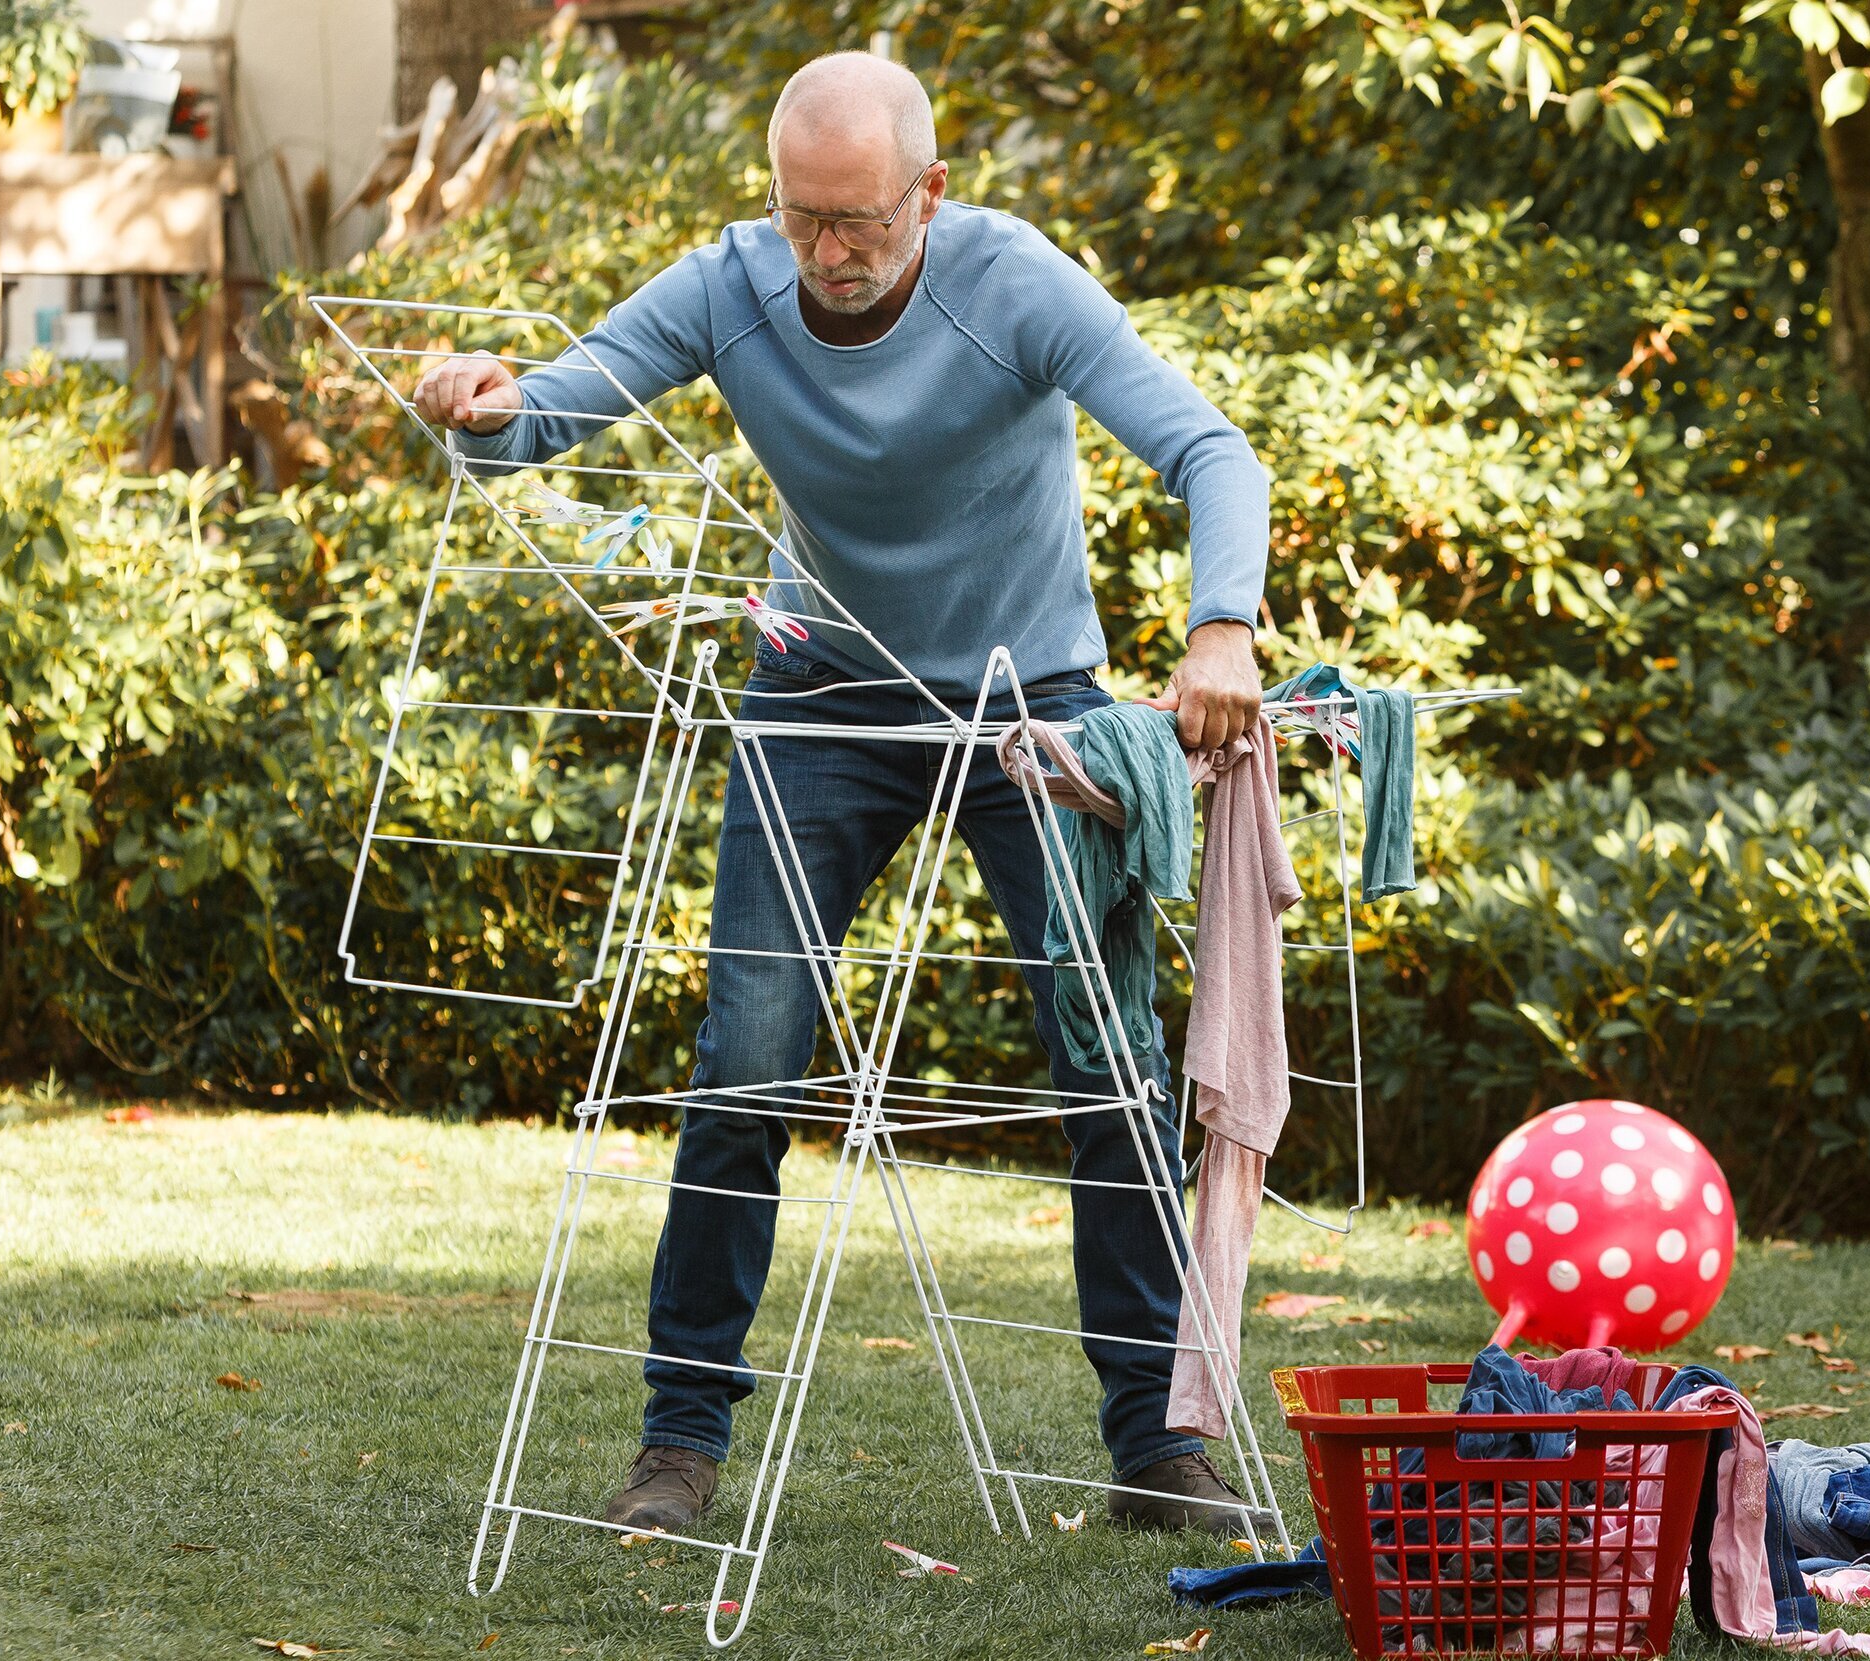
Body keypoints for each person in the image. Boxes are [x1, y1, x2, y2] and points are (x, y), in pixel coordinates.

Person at [410, 50, 1269, 1535]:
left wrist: (1219, 626)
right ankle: (677, 1446)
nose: (830, 250)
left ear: (928, 193)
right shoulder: (731, 283)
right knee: (744, 1060)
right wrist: (474, 403)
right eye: (803, 216)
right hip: (820, 699)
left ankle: (1154, 1443)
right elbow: (545, 418)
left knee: (1108, 1060)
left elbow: (1211, 450)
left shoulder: (1013, 282)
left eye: (861, 218)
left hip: (1028, 701)